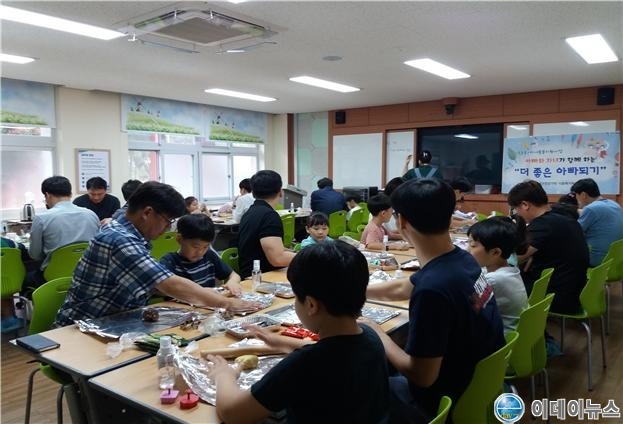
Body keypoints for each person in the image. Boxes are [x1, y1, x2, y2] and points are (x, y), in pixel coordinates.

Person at [364, 178, 504, 422]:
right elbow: (404, 286)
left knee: (358, 384)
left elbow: (423, 377)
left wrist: (377, 332)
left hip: (443, 400)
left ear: (402, 221)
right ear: (449, 218)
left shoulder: (433, 290)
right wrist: (358, 291)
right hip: (477, 384)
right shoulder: (462, 259)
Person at [207, 241, 390, 423]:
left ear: (311, 305)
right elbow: (330, 349)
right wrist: (277, 341)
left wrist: (224, 376)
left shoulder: (304, 363)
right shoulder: (371, 337)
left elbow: (232, 413)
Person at [54, 181, 259, 327]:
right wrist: (227, 303)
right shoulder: (119, 239)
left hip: (116, 320)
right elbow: (168, 284)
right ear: (147, 213)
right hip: (83, 327)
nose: (168, 228)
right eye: (168, 221)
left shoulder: (126, 231)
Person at [507, 179, 589, 314]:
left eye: (516, 209)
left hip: (556, 297)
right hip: (576, 290)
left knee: (497, 286)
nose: (517, 213)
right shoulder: (565, 219)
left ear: (525, 205)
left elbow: (513, 259)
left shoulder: (542, 226)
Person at [28, 176, 100, 288]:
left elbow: (35, 255)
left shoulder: (42, 218)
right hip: (86, 274)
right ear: (70, 194)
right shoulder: (91, 214)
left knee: (26, 276)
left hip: (53, 277)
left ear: (47, 195)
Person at [467, 216, 529, 333]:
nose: (467, 249)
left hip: (504, 336)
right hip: (514, 330)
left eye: (473, 245)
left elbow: (470, 308)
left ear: (495, 252)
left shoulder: (494, 279)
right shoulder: (509, 269)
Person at [159, 214, 243, 296]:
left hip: (208, 303)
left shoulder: (209, 256)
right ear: (179, 239)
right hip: (181, 304)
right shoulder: (170, 261)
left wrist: (232, 282)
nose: (200, 252)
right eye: (195, 247)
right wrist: (199, 292)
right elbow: (160, 290)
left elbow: (234, 275)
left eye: (205, 246)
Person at [238, 170, 296, 278]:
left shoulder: (250, 212)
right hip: (261, 278)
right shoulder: (269, 216)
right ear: (280, 192)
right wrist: (308, 257)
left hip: (251, 274)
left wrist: (294, 252)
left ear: (253, 193)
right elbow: (277, 259)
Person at [570, 178, 623, 267]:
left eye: (576, 196)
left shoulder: (591, 209)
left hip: (596, 259)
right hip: (614, 259)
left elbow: (573, 232)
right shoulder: (614, 204)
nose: (575, 199)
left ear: (583, 195)